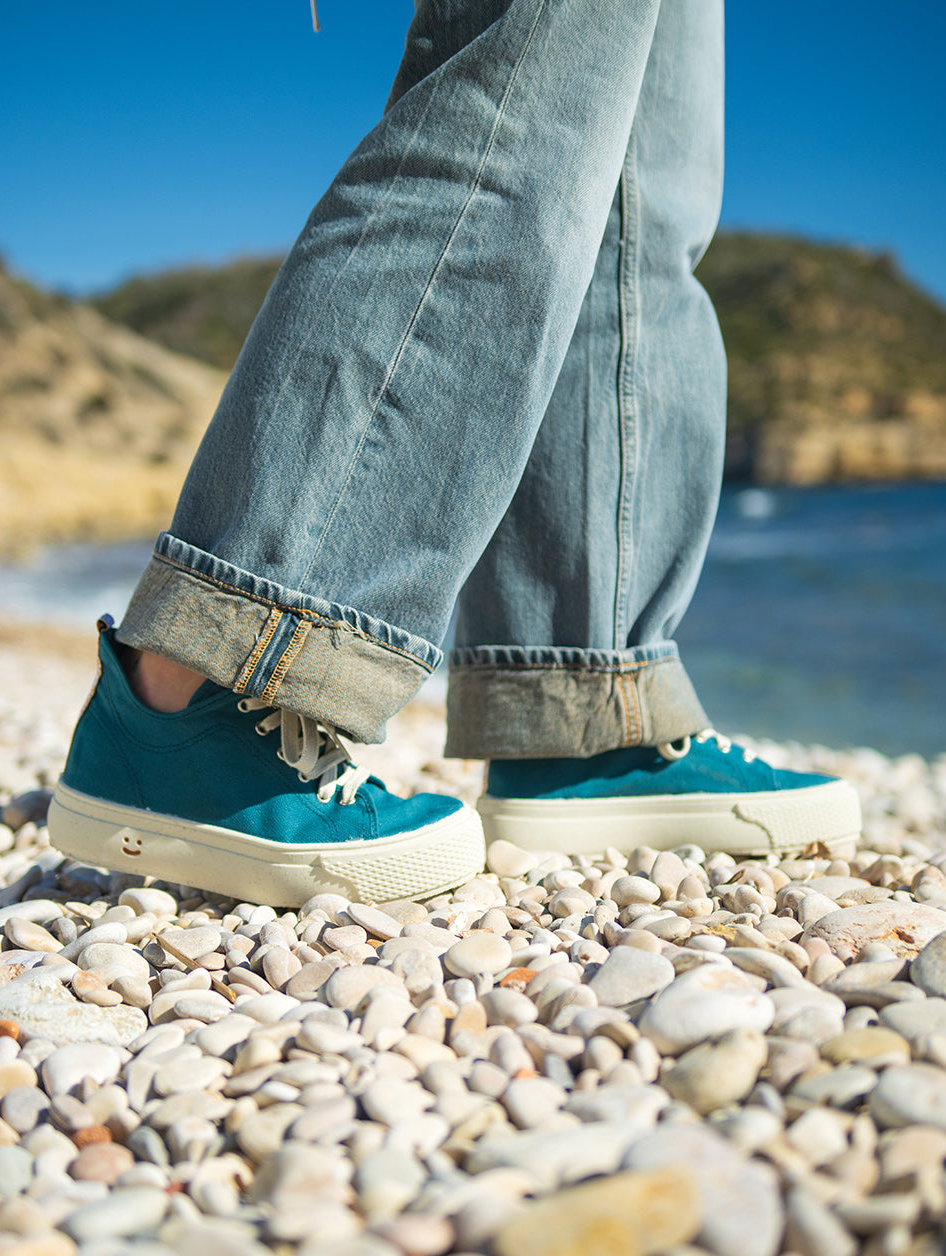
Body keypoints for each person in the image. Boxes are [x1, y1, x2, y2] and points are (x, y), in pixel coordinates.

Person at [48, 0, 860, 906]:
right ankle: (197, 681)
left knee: (638, 212)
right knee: (517, 106)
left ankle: (580, 711)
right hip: (194, 700)